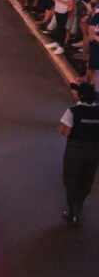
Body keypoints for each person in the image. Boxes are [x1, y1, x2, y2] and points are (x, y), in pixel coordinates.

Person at [59, 81, 99, 226]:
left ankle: (72, 212)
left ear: (80, 95)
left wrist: (61, 129)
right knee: (86, 178)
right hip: (94, 151)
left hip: (76, 150)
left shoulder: (73, 111)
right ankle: (80, 205)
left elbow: (65, 132)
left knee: (71, 179)